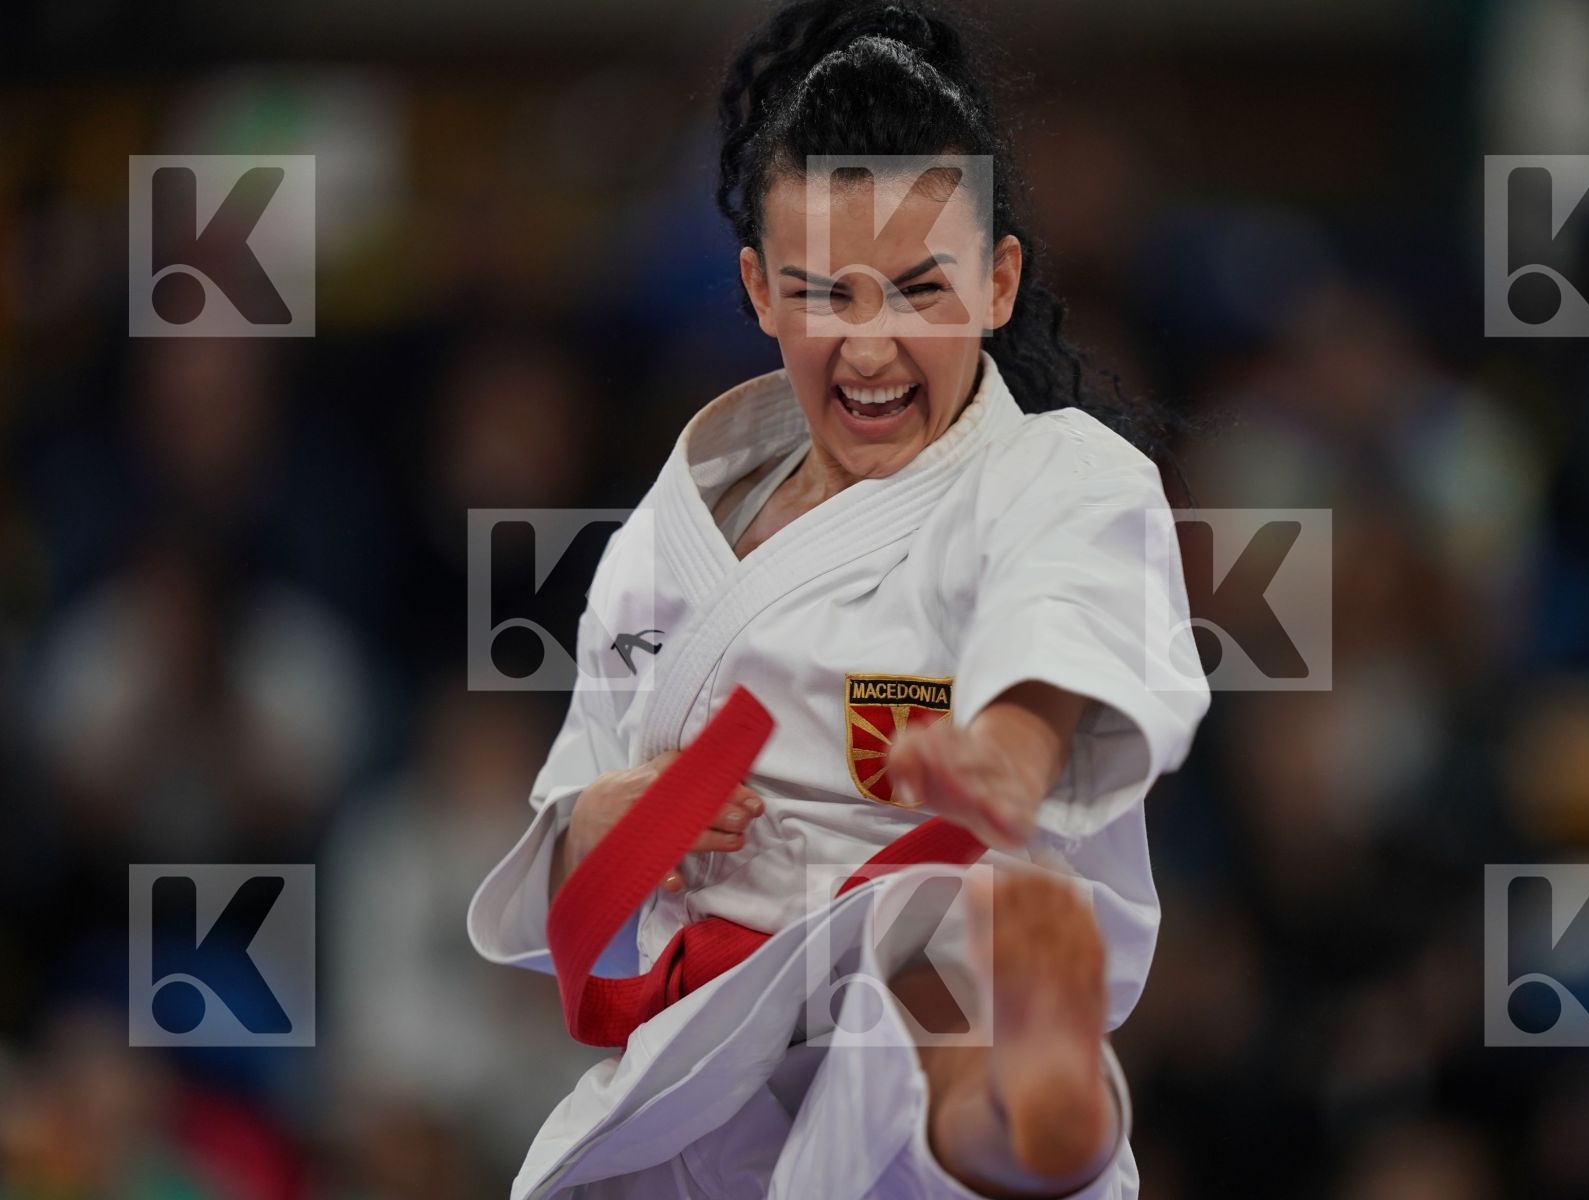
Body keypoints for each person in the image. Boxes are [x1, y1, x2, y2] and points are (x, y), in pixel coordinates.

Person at [465, 2, 1210, 1196]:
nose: (868, 347)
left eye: (918, 291)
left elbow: (1071, 612)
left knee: (930, 957)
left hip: (942, 978)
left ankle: (1028, 1105)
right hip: (707, 1074)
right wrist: (599, 823)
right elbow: (563, 865)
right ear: (759, 290)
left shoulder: (1055, 475)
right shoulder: (675, 525)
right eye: (826, 294)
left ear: (999, 281)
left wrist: (1013, 747)